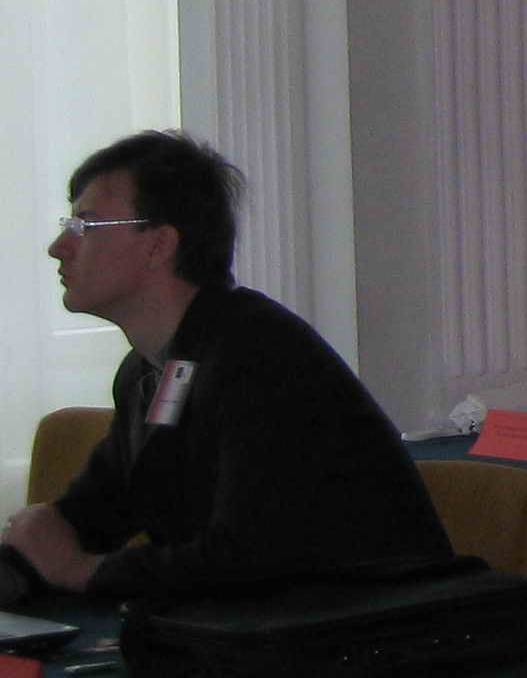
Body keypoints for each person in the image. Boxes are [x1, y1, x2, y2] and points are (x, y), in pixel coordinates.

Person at [0, 132, 451, 608]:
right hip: (266, 630)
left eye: (84, 225)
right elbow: (86, 520)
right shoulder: (146, 372)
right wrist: (26, 562)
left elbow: (244, 559)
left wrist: (81, 571)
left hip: (372, 631)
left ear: (158, 245)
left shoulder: (260, 356)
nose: (59, 247)